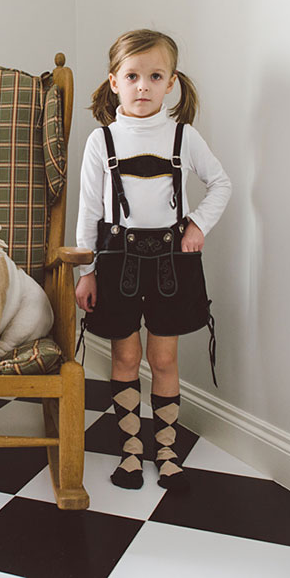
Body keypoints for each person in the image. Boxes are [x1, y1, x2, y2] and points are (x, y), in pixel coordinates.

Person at [75, 29, 232, 491]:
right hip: (114, 261)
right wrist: (86, 272)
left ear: (171, 83)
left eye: (155, 76)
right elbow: (88, 211)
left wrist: (197, 224)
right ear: (114, 82)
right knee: (125, 355)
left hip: (172, 263)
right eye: (133, 75)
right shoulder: (100, 142)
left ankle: (165, 450)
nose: (143, 86)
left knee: (163, 359)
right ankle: (129, 451)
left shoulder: (184, 136)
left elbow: (221, 183)